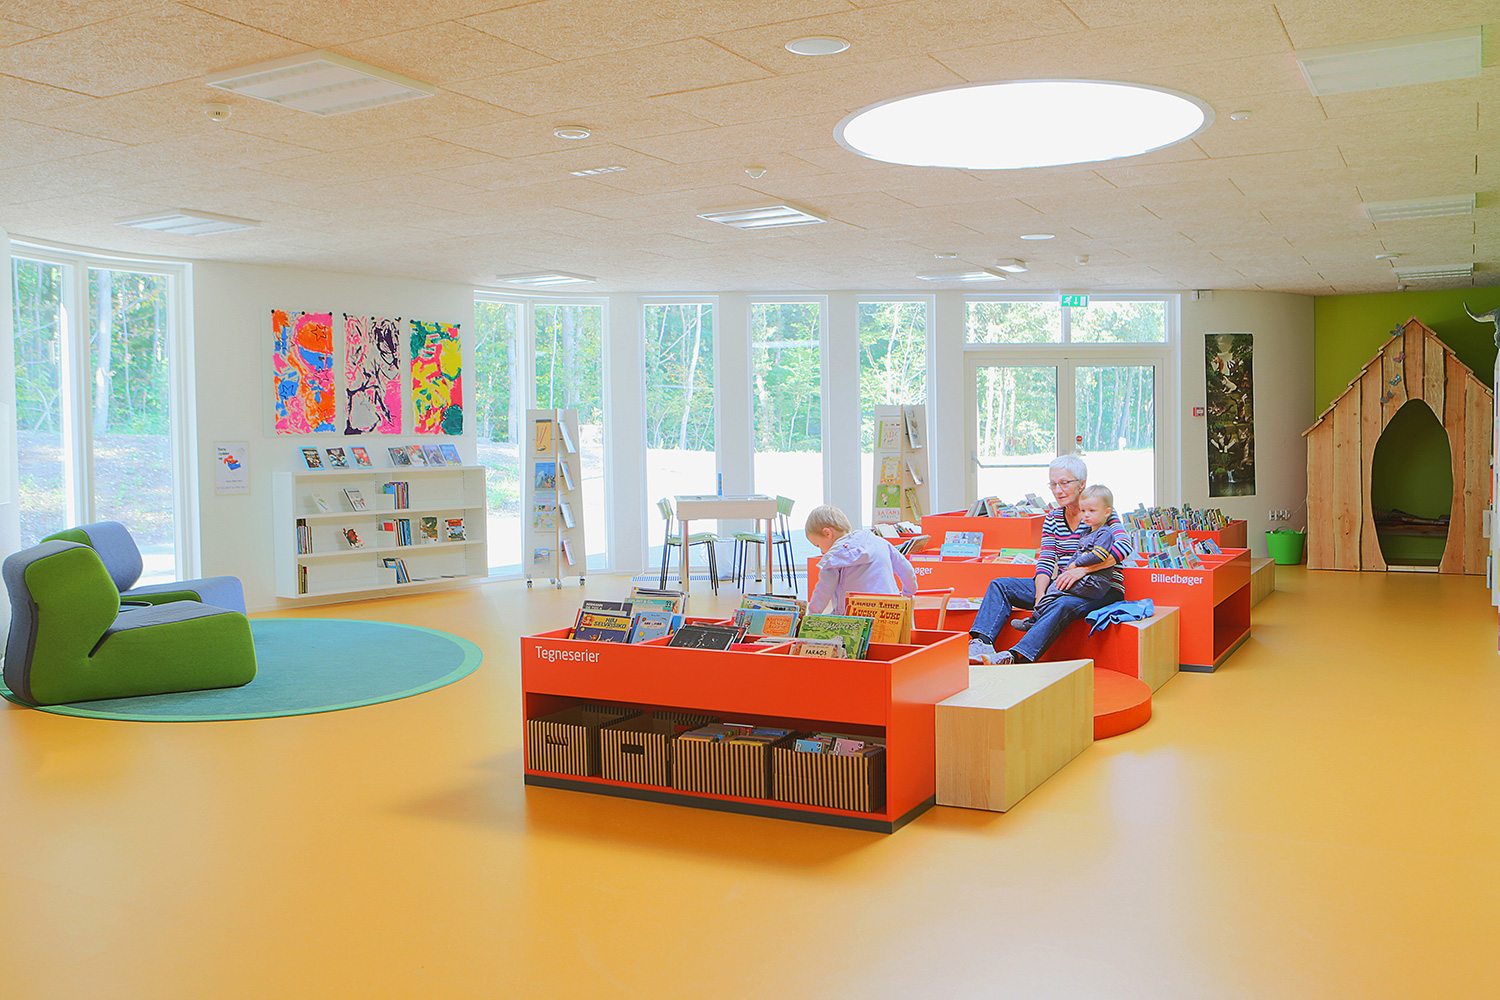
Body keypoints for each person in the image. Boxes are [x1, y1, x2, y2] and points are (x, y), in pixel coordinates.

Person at [968, 456, 1134, 665]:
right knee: (1001, 585)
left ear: (1082, 484)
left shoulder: (1098, 511)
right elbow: (1046, 560)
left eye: (1064, 483)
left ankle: (1017, 656)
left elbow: (1125, 546)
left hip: (1100, 588)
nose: (1058, 490)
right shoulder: (1053, 518)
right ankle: (982, 643)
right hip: (1065, 585)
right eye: (1053, 484)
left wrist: (1082, 570)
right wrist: (1040, 596)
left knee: (1062, 603)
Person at [1013, 484, 1125, 631]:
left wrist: (1077, 565)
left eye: (1091, 511)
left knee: (1057, 591)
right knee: (1053, 588)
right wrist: (1069, 568)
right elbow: (1066, 555)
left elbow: (1099, 555)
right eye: (1083, 511)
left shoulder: (1105, 533)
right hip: (1084, 579)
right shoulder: (1085, 532)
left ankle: (1035, 620)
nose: (1086, 515)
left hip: (1094, 582)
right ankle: (1035, 618)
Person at [805, 505, 917, 615]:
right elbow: (906, 569)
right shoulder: (880, 542)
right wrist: (908, 593)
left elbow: (823, 591)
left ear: (827, 533)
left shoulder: (834, 559)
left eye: (818, 545)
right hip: (891, 613)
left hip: (855, 618)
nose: (822, 552)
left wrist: (811, 615)